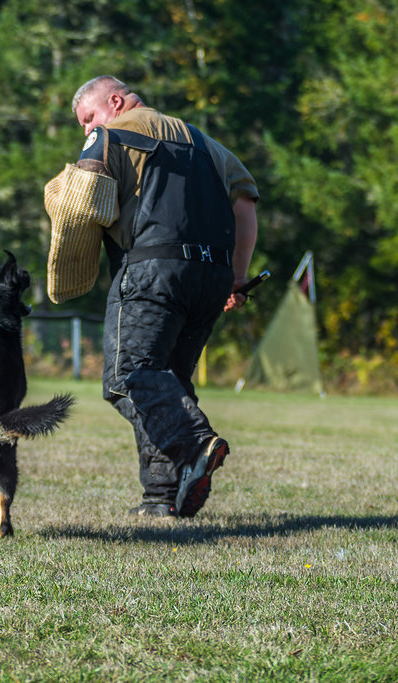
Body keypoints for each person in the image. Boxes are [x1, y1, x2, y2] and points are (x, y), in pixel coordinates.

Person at [47, 75, 259, 518]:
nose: (87, 130)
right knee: (168, 383)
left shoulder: (111, 135)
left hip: (151, 270)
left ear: (116, 101)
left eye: (88, 118)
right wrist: (238, 275)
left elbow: (82, 197)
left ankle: (194, 443)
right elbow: (245, 201)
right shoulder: (205, 143)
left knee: (128, 376)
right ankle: (163, 497)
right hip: (211, 275)